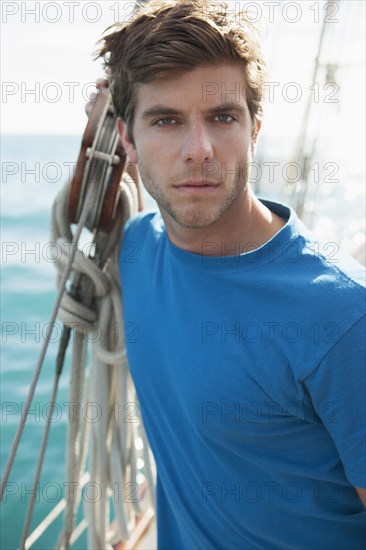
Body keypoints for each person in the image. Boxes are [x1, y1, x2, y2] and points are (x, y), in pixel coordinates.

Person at [97, 1, 366, 548]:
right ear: (126, 140)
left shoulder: (342, 319)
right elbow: (83, 217)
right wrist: (89, 139)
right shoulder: (135, 252)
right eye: (166, 120)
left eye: (222, 117)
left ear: (255, 129)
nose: (199, 151)